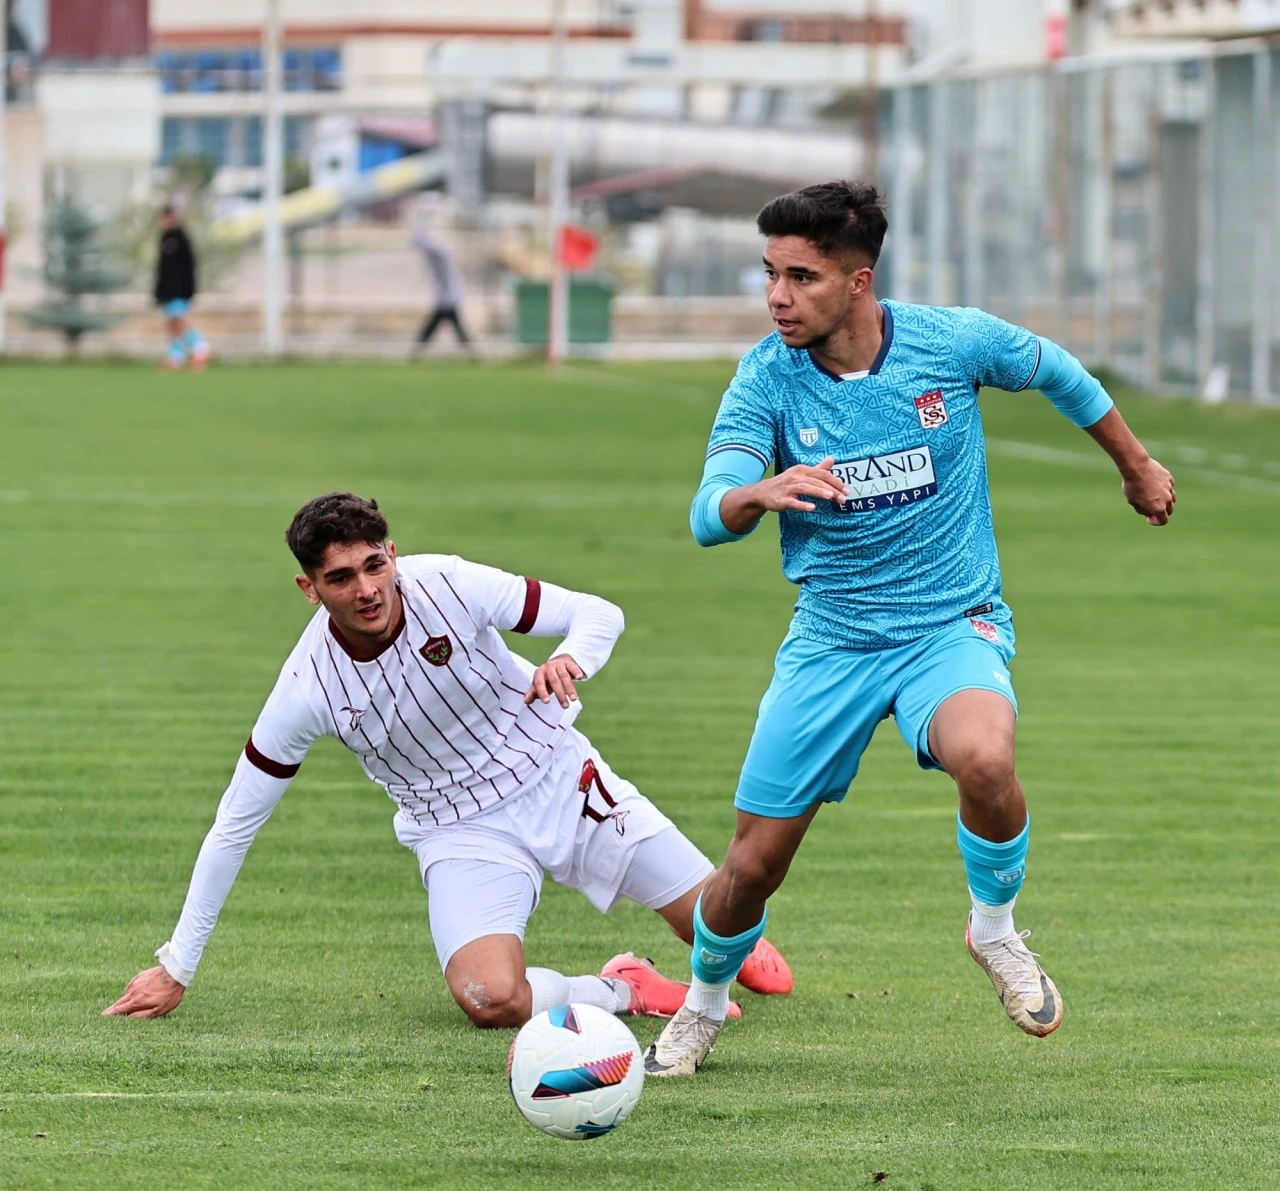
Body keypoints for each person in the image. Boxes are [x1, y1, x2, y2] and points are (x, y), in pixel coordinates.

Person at [644, 181, 1177, 1077]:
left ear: (858, 281)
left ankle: (995, 932)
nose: (777, 296)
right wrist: (755, 493)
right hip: (833, 640)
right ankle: (701, 1005)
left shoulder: (947, 340)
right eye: (769, 274)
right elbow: (708, 510)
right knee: (752, 865)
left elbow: (1057, 370)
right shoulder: (766, 377)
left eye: (800, 277)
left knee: (987, 756)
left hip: (949, 624)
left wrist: (1136, 463)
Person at [104, 493, 791, 1026]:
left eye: (375, 564)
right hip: (459, 829)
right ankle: (624, 988)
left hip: (557, 774)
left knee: (723, 932)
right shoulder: (305, 688)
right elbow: (234, 824)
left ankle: (720, 936)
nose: (367, 588)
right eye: (340, 578)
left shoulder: (450, 584)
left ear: (392, 553)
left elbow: (599, 612)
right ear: (309, 589)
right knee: (489, 998)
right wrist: (177, 965)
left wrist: (571, 657)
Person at [153, 205, 211, 371]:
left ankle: (200, 348)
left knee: (180, 319)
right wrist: (159, 291)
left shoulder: (181, 238)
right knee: (171, 323)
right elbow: (162, 269)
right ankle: (176, 356)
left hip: (179, 289)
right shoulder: (164, 238)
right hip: (167, 291)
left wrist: (189, 289)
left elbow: (189, 266)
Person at [411, 227, 472, 352]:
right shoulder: (437, 257)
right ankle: (471, 352)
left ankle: (417, 350)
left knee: (433, 327)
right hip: (447, 298)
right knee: (455, 328)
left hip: (447, 299)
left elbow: (444, 276)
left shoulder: (438, 256)